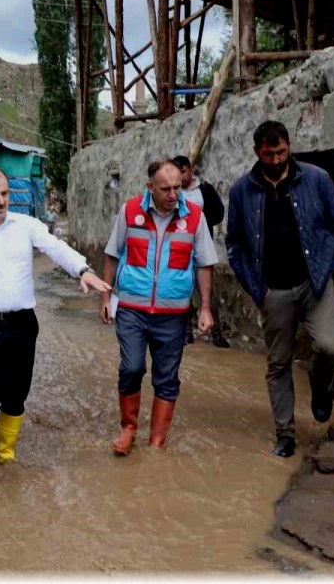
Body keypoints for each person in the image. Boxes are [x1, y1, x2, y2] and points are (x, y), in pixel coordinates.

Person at [0, 167, 110, 500]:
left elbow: (56, 248)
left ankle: (6, 452)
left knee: (16, 394)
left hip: (21, 325)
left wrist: (83, 269)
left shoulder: (26, 226)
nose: (1, 200)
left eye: (4, 193)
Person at [225, 121, 334, 458]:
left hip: (316, 283)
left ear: (289, 145)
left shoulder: (316, 179)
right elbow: (234, 244)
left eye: (281, 152)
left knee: (330, 346)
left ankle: (319, 384)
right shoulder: (241, 191)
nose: (276, 159)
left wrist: (333, 267)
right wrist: (257, 289)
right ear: (257, 153)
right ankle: (285, 433)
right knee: (278, 363)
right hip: (273, 291)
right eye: (269, 154)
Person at [99, 159, 217, 455]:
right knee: (131, 367)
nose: (174, 194)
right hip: (131, 309)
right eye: (166, 188)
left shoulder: (195, 217)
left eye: (178, 187)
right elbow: (112, 255)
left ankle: (156, 442)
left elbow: (204, 265)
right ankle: (128, 428)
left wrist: (205, 308)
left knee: (166, 377)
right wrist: (105, 298)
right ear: (150, 187)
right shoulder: (129, 211)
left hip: (174, 315)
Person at [171, 155, 229, 348]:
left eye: (184, 171)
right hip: (180, 250)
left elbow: (219, 211)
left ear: (190, 169)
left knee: (207, 291)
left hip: (202, 247)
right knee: (183, 290)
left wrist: (200, 223)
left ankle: (216, 334)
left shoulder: (204, 189)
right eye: (178, 173)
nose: (181, 176)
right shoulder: (174, 192)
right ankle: (186, 332)